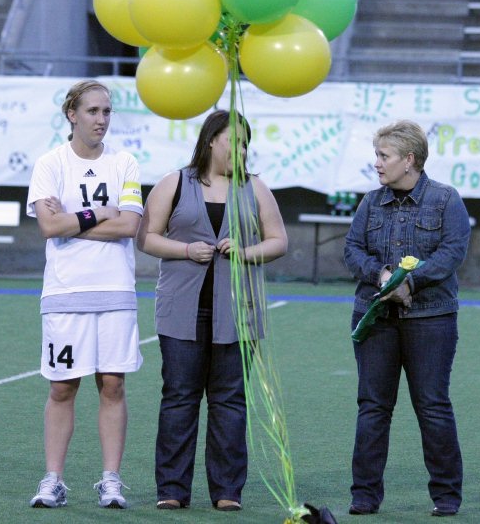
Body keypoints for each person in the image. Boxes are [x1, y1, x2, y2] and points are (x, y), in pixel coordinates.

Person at [136, 109, 287, 512]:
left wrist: (246, 252)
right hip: (181, 312)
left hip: (239, 314)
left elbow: (278, 241)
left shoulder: (255, 188)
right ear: (210, 141)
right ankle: (171, 488)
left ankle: (227, 490)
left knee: (230, 401)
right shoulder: (175, 182)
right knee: (179, 398)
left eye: (245, 143)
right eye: (233, 141)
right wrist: (185, 249)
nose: (240, 149)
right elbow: (146, 237)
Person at [25, 80, 144, 509]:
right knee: (62, 387)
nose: (101, 120)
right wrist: (99, 213)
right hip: (65, 292)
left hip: (114, 291)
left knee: (112, 384)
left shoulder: (125, 163)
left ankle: (111, 480)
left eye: (107, 112)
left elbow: (130, 226)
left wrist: (75, 219)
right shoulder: (50, 164)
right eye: (93, 111)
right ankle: (53, 480)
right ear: (72, 114)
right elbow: (49, 227)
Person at [343, 119, 471, 518]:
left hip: (431, 319)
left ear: (409, 160)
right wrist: (380, 276)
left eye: (384, 156)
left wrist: (410, 283)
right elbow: (352, 249)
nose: (377, 164)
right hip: (374, 317)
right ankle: (364, 496)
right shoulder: (369, 202)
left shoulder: (447, 200)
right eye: (377, 156)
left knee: (432, 406)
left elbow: (452, 252)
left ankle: (446, 496)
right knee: (372, 407)